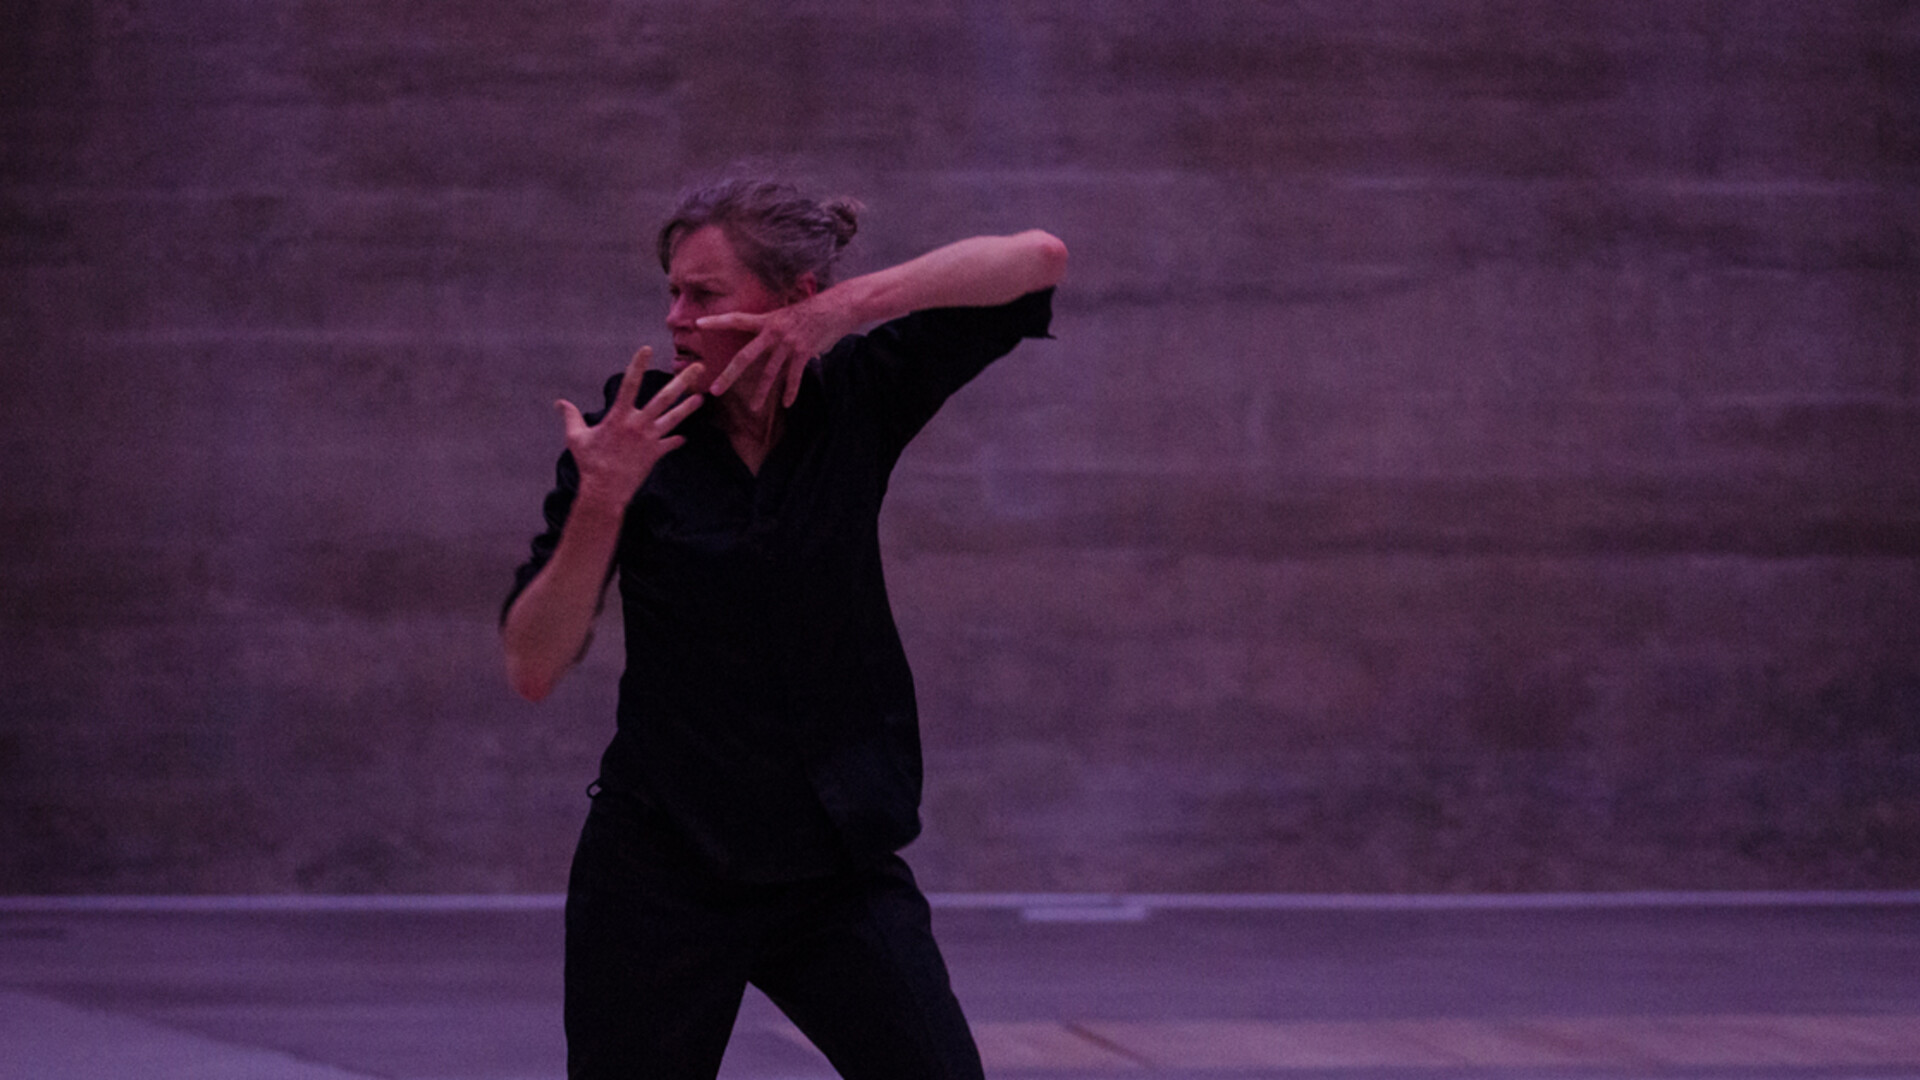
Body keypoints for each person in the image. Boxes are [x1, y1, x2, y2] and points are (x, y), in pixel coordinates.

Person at [500, 176, 1068, 1080]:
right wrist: (603, 499)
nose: (679, 317)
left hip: (833, 864)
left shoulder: (855, 399)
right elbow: (532, 664)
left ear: (794, 297)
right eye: (673, 292)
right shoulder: (632, 434)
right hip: (663, 867)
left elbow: (1036, 259)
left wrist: (846, 311)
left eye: (707, 294)